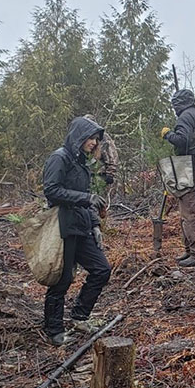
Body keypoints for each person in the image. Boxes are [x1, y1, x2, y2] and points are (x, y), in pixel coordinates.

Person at [42, 116, 112, 346]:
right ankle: (54, 330)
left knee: (101, 270)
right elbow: (52, 191)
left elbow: (87, 199)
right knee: (62, 280)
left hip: (82, 226)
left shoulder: (82, 163)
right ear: (79, 136)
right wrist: (86, 198)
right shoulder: (59, 157)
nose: (93, 143)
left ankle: (79, 316)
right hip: (63, 226)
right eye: (91, 138)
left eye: (96, 139)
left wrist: (95, 226)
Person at [161, 89, 195, 267]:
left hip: (190, 169)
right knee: (190, 210)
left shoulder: (185, 117)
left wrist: (168, 134)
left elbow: (182, 141)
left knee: (190, 213)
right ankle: (190, 250)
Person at [85, 114, 119, 186]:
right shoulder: (82, 137)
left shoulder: (103, 137)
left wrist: (110, 174)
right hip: (87, 174)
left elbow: (112, 156)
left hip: (100, 175)